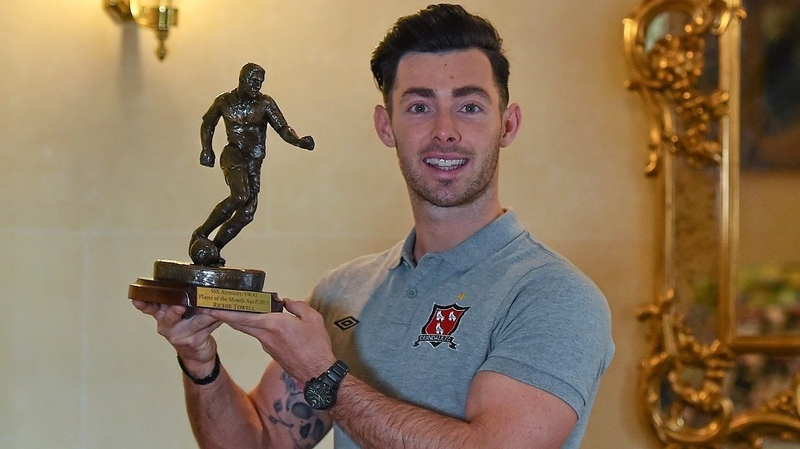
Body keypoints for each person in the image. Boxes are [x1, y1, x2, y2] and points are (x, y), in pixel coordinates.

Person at [133, 4, 614, 448]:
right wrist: (200, 363)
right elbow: (261, 442)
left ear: (507, 124)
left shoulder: (555, 296)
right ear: (386, 126)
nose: (445, 130)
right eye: (420, 106)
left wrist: (322, 374)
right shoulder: (344, 291)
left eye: (469, 106)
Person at [190, 62, 315, 266]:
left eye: (261, 82)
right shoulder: (224, 101)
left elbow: (282, 128)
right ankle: (201, 233)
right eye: (254, 81)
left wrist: (298, 141)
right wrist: (206, 149)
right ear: (242, 80)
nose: (258, 86)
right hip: (233, 154)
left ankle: (214, 250)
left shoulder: (265, 103)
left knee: (247, 213)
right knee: (240, 195)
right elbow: (208, 123)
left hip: (254, 160)